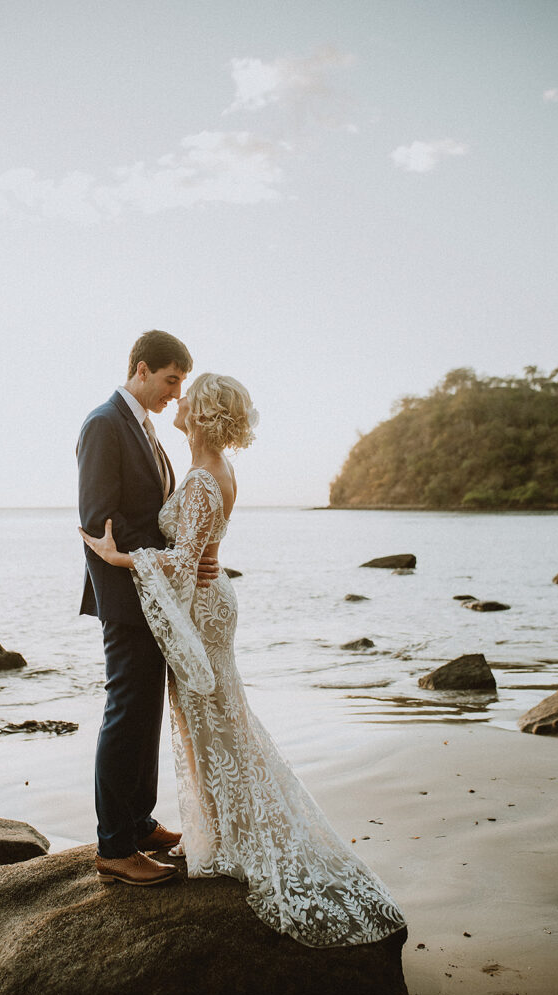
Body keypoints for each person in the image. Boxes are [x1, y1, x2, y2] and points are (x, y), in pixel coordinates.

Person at [80, 372, 406, 946]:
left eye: (188, 392)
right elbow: (198, 548)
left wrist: (120, 556)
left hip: (202, 611)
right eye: (174, 385)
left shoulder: (206, 478)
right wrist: (199, 554)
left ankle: (233, 836)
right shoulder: (209, 471)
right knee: (216, 720)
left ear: (202, 415)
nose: (178, 400)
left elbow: (183, 560)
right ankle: (221, 829)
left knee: (217, 723)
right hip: (205, 605)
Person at [77, 329, 219, 887]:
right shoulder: (103, 424)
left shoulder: (146, 428)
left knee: (147, 713)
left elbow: (159, 514)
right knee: (126, 712)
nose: (176, 393)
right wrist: (165, 563)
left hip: (154, 594)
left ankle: (138, 821)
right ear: (141, 369)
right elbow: (99, 523)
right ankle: (113, 846)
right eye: (170, 380)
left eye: (180, 381)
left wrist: (189, 559)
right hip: (125, 596)